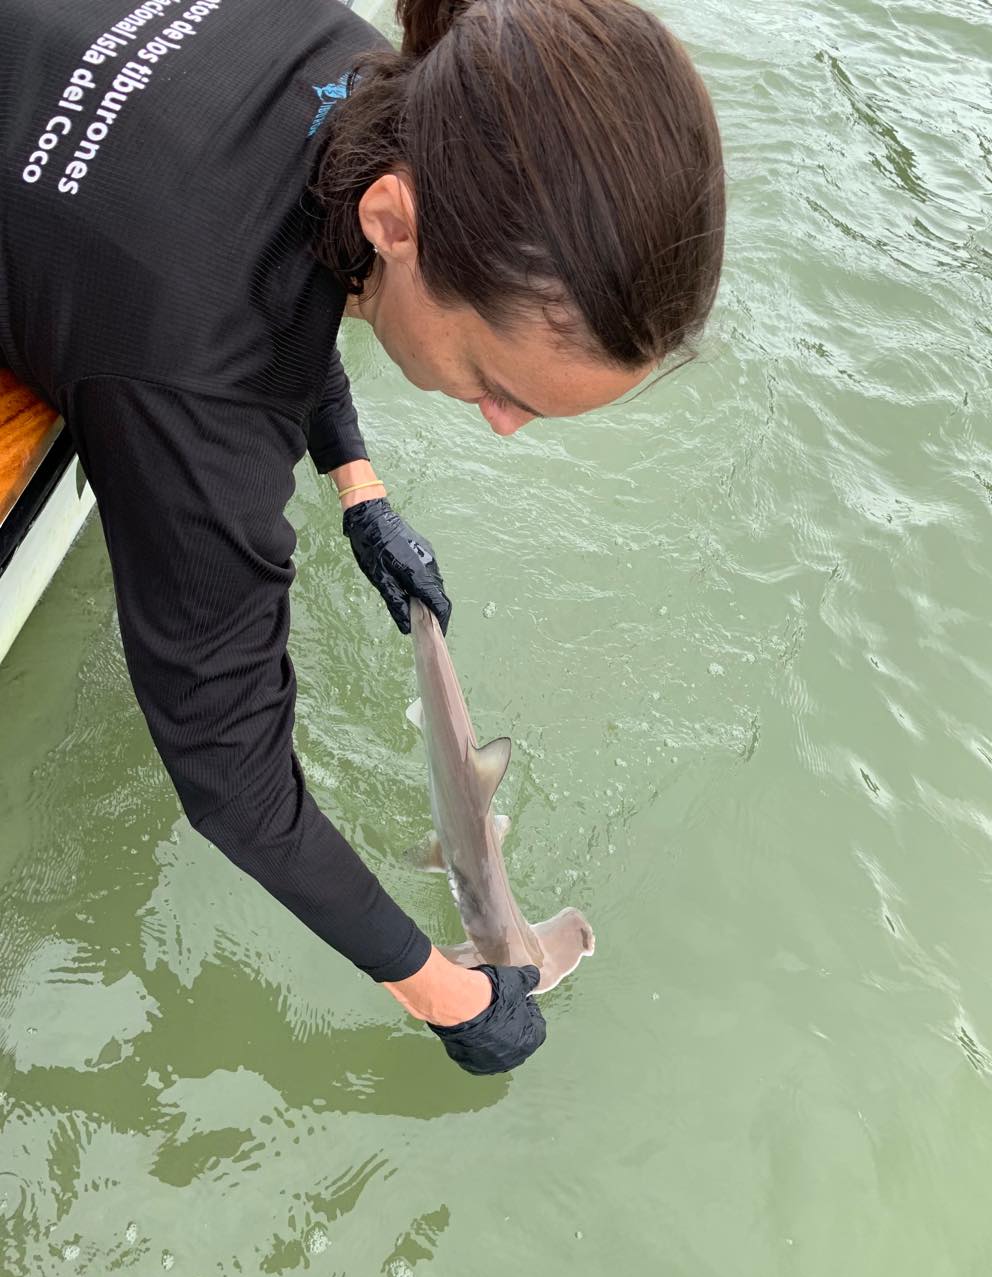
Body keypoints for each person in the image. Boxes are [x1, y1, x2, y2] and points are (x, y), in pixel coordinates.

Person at [0, 0, 725, 1075]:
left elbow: (275, 264)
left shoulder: (368, 76)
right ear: (395, 219)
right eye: (497, 384)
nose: (500, 423)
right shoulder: (191, 372)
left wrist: (358, 485)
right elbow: (231, 781)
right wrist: (447, 992)